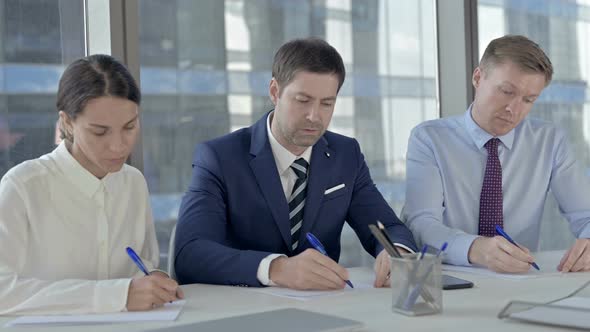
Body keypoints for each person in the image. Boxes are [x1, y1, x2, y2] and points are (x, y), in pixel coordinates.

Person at [175, 37, 417, 290]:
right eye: (303, 101)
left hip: (324, 308)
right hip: (244, 310)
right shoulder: (219, 157)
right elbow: (190, 254)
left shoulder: (346, 154)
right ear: (274, 91)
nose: (314, 116)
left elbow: (386, 226)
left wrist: (395, 252)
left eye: (327, 103)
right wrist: (276, 268)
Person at [0, 54, 183, 315]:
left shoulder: (133, 182)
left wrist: (154, 280)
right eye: (100, 132)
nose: (119, 145)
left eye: (129, 127)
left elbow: (142, 264)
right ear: (67, 123)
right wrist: (116, 295)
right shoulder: (23, 186)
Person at [403, 35, 590, 274]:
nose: (514, 109)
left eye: (528, 100)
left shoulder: (550, 141)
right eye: (506, 92)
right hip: (450, 279)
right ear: (478, 78)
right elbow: (420, 224)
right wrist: (476, 249)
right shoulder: (429, 139)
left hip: (522, 280)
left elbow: (586, 215)